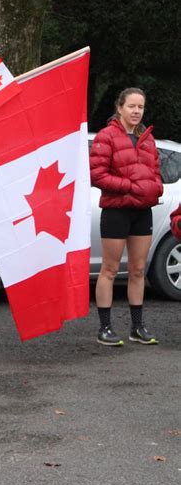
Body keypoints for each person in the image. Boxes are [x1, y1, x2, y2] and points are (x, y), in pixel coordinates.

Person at [90, 87, 163, 347]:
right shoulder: (106, 136)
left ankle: (137, 327)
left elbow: (155, 172)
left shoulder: (147, 138)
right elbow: (96, 175)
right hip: (116, 211)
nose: (136, 111)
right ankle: (105, 328)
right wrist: (131, 187)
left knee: (138, 270)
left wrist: (156, 188)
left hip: (142, 212)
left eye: (140, 107)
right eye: (131, 106)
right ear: (119, 108)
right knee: (109, 270)